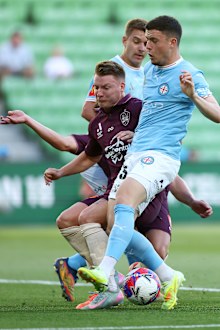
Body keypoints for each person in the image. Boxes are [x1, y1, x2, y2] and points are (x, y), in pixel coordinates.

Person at [75, 15, 220, 310]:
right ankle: (169, 276)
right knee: (116, 222)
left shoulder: (190, 74)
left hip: (162, 156)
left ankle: (105, 271)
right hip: (136, 153)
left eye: (152, 40)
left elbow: (217, 113)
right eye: (143, 40)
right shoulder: (151, 72)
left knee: (126, 201)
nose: (146, 47)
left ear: (172, 42)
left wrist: (193, 96)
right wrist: (133, 132)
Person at [44, 60, 192, 311]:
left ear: (122, 86)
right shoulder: (97, 124)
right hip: (115, 188)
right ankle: (128, 281)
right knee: (72, 219)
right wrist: (61, 172)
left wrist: (138, 136)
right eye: (96, 88)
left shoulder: (137, 108)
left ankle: (110, 281)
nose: (99, 92)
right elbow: (90, 156)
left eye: (106, 87)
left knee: (106, 225)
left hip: (144, 187)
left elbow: (161, 136)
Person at [81, 18, 148, 121]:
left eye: (146, 44)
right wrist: (111, 133)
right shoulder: (108, 70)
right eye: (136, 41)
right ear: (125, 41)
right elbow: (88, 110)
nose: (141, 48)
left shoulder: (146, 74)